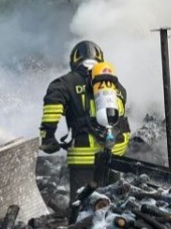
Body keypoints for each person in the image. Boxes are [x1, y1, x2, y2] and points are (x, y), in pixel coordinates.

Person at [38, 40, 131, 202]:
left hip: (83, 157)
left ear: (74, 61)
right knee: (113, 204)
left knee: (82, 205)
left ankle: (82, 226)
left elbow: (52, 110)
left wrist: (48, 138)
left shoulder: (64, 83)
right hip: (115, 155)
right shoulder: (115, 85)